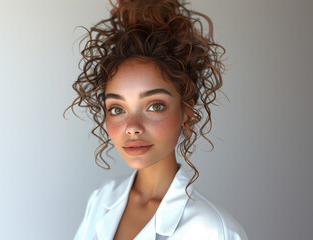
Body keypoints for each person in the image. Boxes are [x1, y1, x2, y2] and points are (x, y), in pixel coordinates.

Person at [65, 0, 248, 239]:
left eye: (155, 106)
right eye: (117, 109)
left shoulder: (212, 230)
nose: (132, 128)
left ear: (187, 111)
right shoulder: (102, 199)